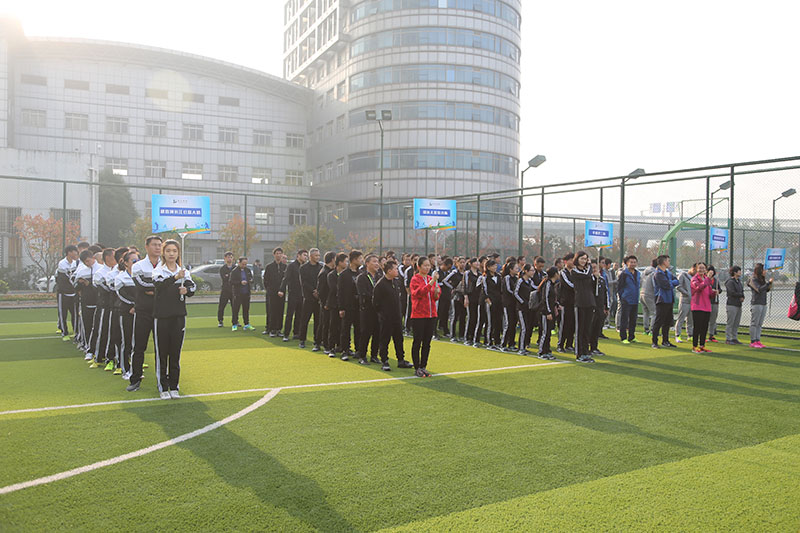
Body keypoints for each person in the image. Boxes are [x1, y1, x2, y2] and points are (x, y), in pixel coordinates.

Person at [152, 239, 195, 399]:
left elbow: (193, 287)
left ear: (178, 253)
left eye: (174, 251)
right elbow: (159, 285)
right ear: (163, 253)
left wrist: (187, 290)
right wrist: (175, 277)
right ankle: (163, 387)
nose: (171, 254)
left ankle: (174, 386)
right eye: (168, 250)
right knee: (162, 353)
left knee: (175, 353)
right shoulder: (158, 270)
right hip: (162, 317)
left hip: (178, 317)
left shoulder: (184, 272)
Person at [127, 235, 162, 392]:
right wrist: (160, 288)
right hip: (143, 311)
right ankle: (135, 379)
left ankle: (162, 380)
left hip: (161, 312)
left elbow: (169, 285)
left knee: (161, 348)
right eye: (154, 244)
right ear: (146, 247)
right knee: (139, 346)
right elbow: (141, 285)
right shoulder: (138, 266)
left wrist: (155, 289)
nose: (157, 247)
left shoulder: (166, 265)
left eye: (159, 245)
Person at [373, 260, 414, 370]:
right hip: (386, 318)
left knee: (399, 339)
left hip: (397, 317)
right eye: (395, 269)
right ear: (389, 271)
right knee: (385, 339)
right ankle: (384, 361)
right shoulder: (380, 285)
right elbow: (376, 303)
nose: (397, 271)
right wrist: (383, 314)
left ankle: (401, 360)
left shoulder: (396, 282)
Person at [409, 256, 440, 377]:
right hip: (419, 315)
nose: (427, 268)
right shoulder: (415, 279)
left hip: (431, 315)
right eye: (425, 265)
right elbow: (418, 293)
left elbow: (435, 297)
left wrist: (436, 291)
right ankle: (417, 367)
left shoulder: (431, 279)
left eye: (429, 266)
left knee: (427, 342)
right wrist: (431, 283)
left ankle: (423, 366)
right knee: (417, 341)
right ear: (419, 267)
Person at [115, 249, 139, 380]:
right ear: (125, 263)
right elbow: (121, 295)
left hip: (140, 311)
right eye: (133, 260)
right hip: (126, 312)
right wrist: (132, 305)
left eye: (138, 260)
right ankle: (125, 368)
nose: (136, 263)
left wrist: (138, 306)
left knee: (138, 342)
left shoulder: (140, 276)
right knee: (127, 340)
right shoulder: (121, 277)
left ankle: (136, 369)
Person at [356, 254, 381, 365]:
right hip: (367, 309)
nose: (377, 264)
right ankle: (362, 356)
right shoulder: (362, 277)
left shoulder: (380, 276)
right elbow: (363, 293)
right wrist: (376, 298)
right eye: (374, 261)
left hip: (379, 310)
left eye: (377, 262)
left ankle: (374, 355)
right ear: (367, 264)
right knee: (365, 333)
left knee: (377, 333)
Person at [73, 249, 98, 361]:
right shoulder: (82, 271)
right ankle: (89, 350)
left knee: (98, 328)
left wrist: (89, 283)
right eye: (85, 262)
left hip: (99, 303)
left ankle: (99, 350)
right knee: (87, 326)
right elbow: (75, 287)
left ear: (93, 258)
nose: (88, 263)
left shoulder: (100, 269)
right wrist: (80, 283)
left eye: (89, 260)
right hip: (86, 302)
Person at [571, 251, 595, 362]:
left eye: (585, 259)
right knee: (580, 329)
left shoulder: (587, 271)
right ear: (577, 259)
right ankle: (579, 353)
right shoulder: (574, 271)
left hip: (589, 302)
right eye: (582, 258)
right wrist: (590, 266)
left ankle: (586, 352)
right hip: (580, 302)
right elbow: (586, 275)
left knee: (587, 329)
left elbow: (591, 281)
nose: (584, 261)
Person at [338, 250, 362, 360]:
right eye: (360, 259)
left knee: (359, 329)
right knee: (345, 329)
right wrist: (341, 308)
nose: (361, 261)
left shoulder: (361, 274)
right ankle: (345, 350)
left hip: (359, 306)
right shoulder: (344, 274)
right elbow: (340, 292)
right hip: (348, 306)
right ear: (354, 260)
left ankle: (358, 350)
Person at [651, 254, 679, 348]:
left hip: (669, 299)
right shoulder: (658, 273)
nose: (669, 263)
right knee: (659, 321)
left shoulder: (667, 273)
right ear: (663, 262)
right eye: (668, 261)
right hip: (662, 299)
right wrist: (672, 283)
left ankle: (665, 341)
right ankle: (654, 342)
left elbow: (676, 281)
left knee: (667, 322)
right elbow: (666, 285)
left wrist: (671, 282)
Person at [279, 249, 307, 341]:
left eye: (306, 255)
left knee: (299, 314)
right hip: (293, 293)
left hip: (302, 294)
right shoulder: (292, 266)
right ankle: (286, 334)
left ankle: (296, 333)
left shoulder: (305, 267)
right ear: (298, 255)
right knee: (290, 314)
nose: (305, 257)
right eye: (304, 255)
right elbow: (286, 278)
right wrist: (281, 290)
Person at [298, 248, 322, 350]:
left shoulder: (321, 267)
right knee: (304, 320)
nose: (318, 257)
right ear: (310, 256)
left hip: (319, 299)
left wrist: (319, 291)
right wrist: (313, 291)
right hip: (308, 298)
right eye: (316, 255)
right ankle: (302, 340)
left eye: (319, 255)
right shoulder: (303, 268)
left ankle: (317, 341)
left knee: (318, 321)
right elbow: (304, 282)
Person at [55, 244, 79, 340]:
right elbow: (67, 278)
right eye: (74, 252)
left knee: (75, 314)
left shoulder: (76, 263)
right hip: (63, 293)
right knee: (63, 314)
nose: (76, 253)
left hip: (73, 293)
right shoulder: (62, 263)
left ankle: (76, 332)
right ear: (69, 252)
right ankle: (64, 333)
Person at [326, 253, 348, 357]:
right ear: (339, 262)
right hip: (334, 305)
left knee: (344, 328)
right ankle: (331, 348)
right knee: (333, 326)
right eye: (345, 261)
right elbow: (334, 289)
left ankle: (343, 347)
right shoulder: (331, 275)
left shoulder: (347, 274)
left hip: (345, 304)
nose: (347, 263)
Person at [690, 262, 714, 353]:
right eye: (700, 268)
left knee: (704, 327)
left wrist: (714, 293)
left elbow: (709, 293)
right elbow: (699, 288)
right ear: (696, 269)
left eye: (703, 268)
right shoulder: (694, 279)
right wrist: (707, 278)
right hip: (697, 306)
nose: (701, 270)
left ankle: (702, 345)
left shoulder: (706, 279)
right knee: (697, 327)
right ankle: (694, 346)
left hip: (707, 306)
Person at [747, 263, 773, 348]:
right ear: (760, 270)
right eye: (764, 270)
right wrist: (768, 283)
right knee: (754, 323)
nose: (765, 271)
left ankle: (758, 340)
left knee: (759, 323)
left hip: (763, 303)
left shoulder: (762, 279)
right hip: (756, 303)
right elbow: (759, 289)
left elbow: (766, 290)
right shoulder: (753, 279)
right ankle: (753, 341)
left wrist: (769, 284)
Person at [263, 247, 287, 337]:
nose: (278, 255)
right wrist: (269, 290)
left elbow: (286, 280)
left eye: (280, 253)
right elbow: (265, 280)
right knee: (271, 311)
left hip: (281, 293)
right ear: (274, 255)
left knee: (280, 311)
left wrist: (282, 290)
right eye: (277, 253)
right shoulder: (269, 267)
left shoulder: (285, 267)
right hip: (271, 293)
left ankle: (278, 329)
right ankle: (270, 329)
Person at [617, 255, 641, 344]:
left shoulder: (638, 273)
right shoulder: (623, 274)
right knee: (624, 319)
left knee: (633, 320)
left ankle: (632, 336)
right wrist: (623, 297)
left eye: (634, 262)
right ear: (627, 263)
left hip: (635, 299)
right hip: (626, 300)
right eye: (631, 262)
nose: (633, 264)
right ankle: (623, 337)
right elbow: (619, 287)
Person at [536, 267, 559, 359]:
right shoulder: (548, 283)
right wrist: (548, 312)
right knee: (545, 332)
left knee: (549, 332)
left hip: (551, 311)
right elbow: (545, 298)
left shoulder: (553, 284)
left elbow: (552, 299)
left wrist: (556, 305)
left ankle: (547, 350)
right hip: (545, 312)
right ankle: (541, 352)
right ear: (555, 274)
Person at [589, 260, 610, 357]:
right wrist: (594, 279)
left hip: (600, 308)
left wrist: (606, 307)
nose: (594, 269)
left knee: (597, 328)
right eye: (592, 268)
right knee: (590, 328)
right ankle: (586, 347)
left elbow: (605, 294)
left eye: (595, 267)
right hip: (591, 308)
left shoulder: (601, 279)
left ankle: (594, 347)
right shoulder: (589, 279)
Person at [557, 253, 576, 353]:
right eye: (571, 260)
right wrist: (578, 287)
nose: (573, 262)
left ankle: (569, 344)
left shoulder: (575, 272)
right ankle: (560, 345)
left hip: (574, 302)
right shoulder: (562, 272)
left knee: (572, 324)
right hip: (564, 302)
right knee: (564, 324)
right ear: (566, 261)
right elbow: (569, 284)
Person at [513, 264, 534, 355]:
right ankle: (521, 348)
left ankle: (524, 346)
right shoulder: (520, 281)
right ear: (526, 271)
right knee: (524, 328)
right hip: (521, 308)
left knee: (528, 327)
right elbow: (515, 293)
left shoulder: (530, 281)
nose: (533, 272)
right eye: (531, 270)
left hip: (528, 308)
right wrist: (522, 302)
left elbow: (535, 288)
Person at [482, 259, 503, 350]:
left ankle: (497, 341)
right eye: (493, 266)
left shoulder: (498, 276)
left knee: (498, 321)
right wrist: (488, 301)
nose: (495, 267)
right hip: (490, 302)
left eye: (495, 265)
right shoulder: (485, 277)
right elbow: (484, 290)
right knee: (490, 322)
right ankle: (488, 341)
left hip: (498, 302)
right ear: (488, 267)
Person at [316, 252, 335, 354]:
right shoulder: (324, 273)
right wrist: (325, 303)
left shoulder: (331, 271)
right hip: (326, 303)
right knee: (325, 323)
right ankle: (323, 344)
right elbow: (321, 291)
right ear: (332, 259)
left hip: (330, 302)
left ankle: (319, 342)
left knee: (326, 323)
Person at [230, 256, 254, 331]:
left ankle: (246, 324)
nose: (244, 265)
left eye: (245, 264)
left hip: (246, 293)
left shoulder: (248, 270)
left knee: (246, 309)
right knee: (236, 309)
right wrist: (240, 282)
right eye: (243, 264)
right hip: (238, 293)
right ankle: (234, 324)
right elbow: (231, 281)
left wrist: (250, 281)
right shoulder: (234, 271)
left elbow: (251, 279)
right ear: (239, 263)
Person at [501, 260, 519, 352]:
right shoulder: (507, 278)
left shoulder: (516, 278)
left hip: (514, 304)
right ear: (510, 269)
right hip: (507, 304)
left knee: (514, 324)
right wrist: (516, 295)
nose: (517, 270)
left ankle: (511, 343)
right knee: (508, 324)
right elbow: (508, 289)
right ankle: (503, 344)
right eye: (516, 268)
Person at [724, 265, 745, 344]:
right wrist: (740, 295)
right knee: (730, 322)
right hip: (732, 304)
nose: (740, 272)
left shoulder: (738, 281)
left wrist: (742, 296)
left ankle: (734, 337)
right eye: (739, 271)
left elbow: (741, 291)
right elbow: (731, 292)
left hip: (738, 304)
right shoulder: (730, 281)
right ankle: (728, 338)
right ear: (735, 272)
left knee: (736, 322)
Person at [675, 264, 695, 343]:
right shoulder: (683, 275)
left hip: (693, 302)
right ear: (692, 268)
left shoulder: (696, 278)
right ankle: (678, 335)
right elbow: (678, 286)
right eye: (695, 270)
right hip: (684, 301)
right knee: (681, 318)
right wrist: (686, 293)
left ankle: (690, 335)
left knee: (691, 319)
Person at [463, 258, 481, 346]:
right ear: (471, 263)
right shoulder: (467, 273)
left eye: (478, 262)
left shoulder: (480, 274)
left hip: (478, 298)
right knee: (471, 317)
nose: (477, 263)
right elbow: (465, 285)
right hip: (470, 297)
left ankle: (475, 337)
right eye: (475, 262)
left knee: (478, 318)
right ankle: (468, 337)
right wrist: (466, 297)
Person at [448, 257, 466, 342]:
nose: (462, 264)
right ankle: (452, 335)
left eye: (463, 262)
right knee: (455, 315)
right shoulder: (454, 273)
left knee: (463, 316)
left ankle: (461, 335)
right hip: (456, 296)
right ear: (457, 263)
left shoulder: (466, 273)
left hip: (464, 296)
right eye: (461, 262)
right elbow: (445, 280)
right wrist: (453, 288)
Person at [438, 257, 456, 338]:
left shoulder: (448, 273)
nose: (448, 269)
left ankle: (445, 331)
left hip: (447, 295)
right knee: (438, 313)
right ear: (444, 265)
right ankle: (434, 331)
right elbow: (435, 283)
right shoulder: (437, 272)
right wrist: (444, 283)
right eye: (448, 267)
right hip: (439, 296)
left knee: (445, 314)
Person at [640, 259, 657, 335]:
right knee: (654, 313)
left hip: (642, 293)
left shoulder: (644, 272)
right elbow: (655, 285)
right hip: (649, 294)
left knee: (646, 313)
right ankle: (652, 330)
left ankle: (646, 329)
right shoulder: (654, 273)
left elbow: (640, 282)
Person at [217, 252, 234, 328]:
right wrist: (229, 276)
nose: (229, 259)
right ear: (225, 258)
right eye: (228, 257)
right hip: (225, 290)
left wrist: (228, 276)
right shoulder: (222, 269)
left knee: (235, 307)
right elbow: (224, 278)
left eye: (231, 257)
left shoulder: (235, 268)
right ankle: (220, 321)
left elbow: (235, 278)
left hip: (233, 290)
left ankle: (235, 320)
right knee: (222, 306)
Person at [706, 265, 722, 342]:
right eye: (709, 271)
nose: (711, 272)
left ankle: (711, 335)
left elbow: (720, 289)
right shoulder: (705, 280)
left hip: (715, 301)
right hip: (707, 301)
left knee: (713, 319)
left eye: (712, 271)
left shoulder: (716, 280)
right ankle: (703, 334)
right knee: (706, 319)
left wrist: (718, 291)